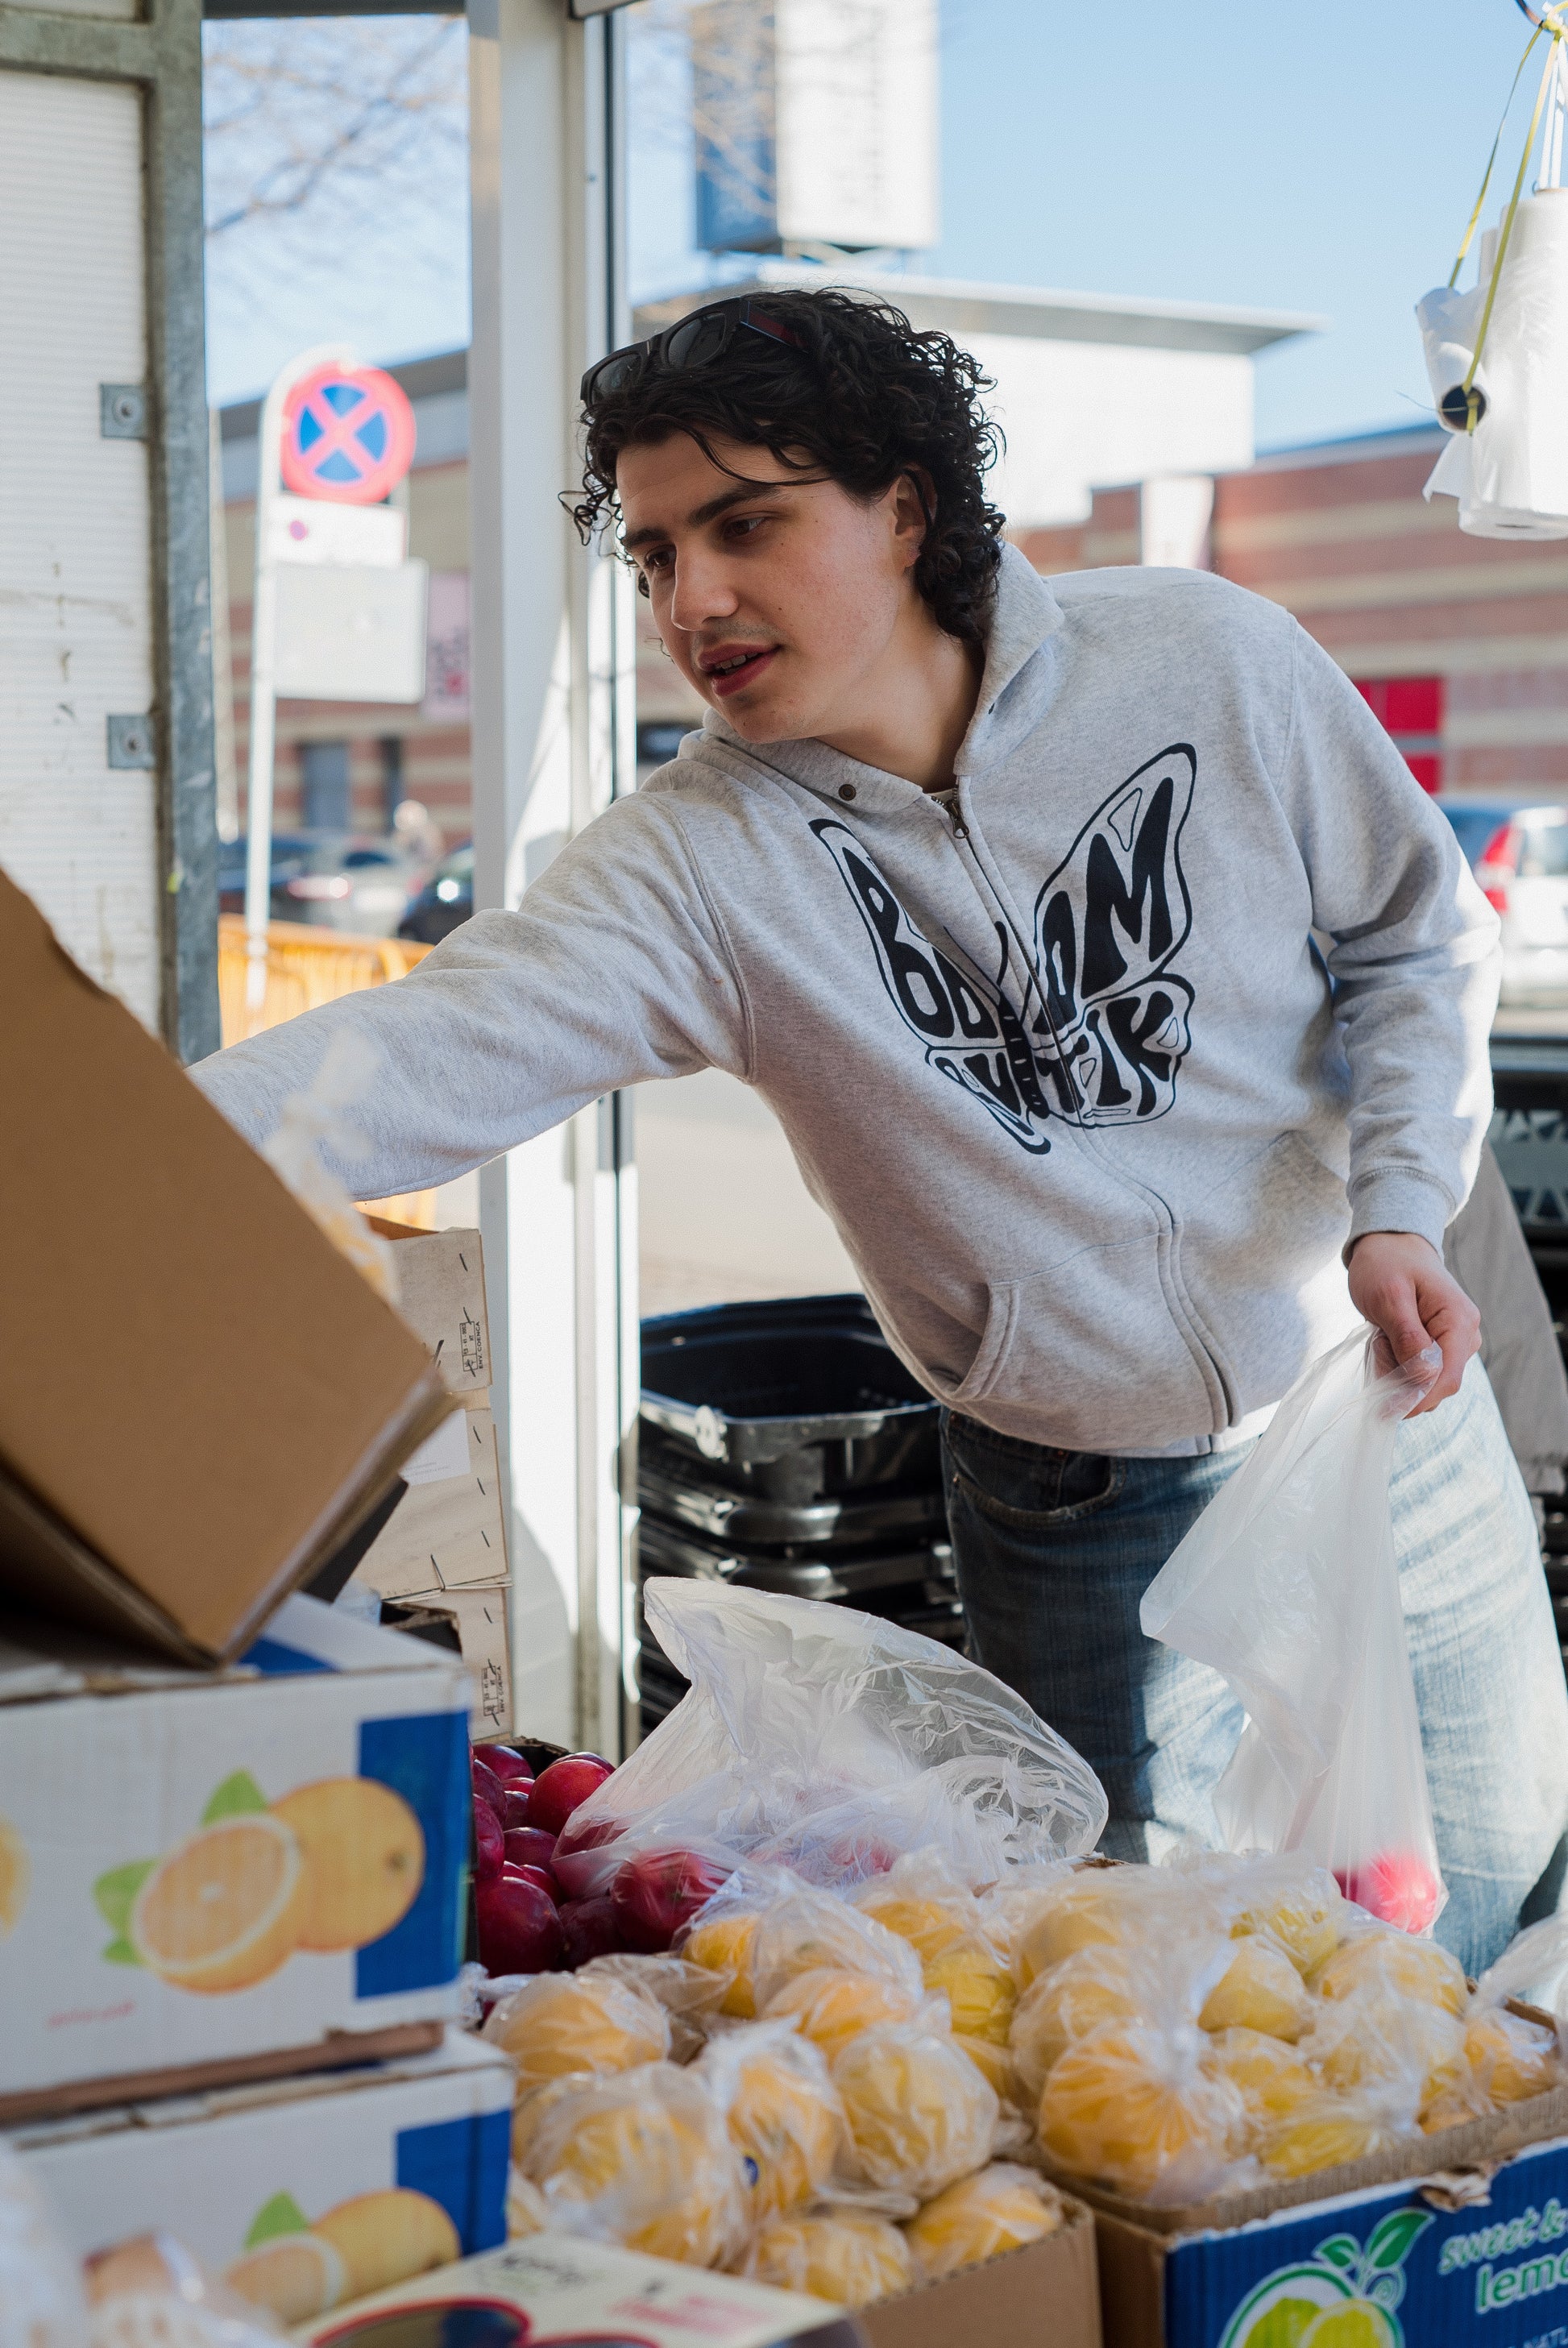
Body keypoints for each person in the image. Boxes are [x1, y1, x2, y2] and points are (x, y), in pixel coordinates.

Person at [192, 287, 1568, 1973]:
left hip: (1386, 1421)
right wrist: (110, 1158)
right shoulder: (697, 866)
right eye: (651, 555)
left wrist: (1398, 1205)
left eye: (745, 524)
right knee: (1170, 2009)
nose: (691, 598)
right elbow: (410, 1051)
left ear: (906, 504)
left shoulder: (1208, 660)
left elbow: (1411, 932)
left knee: (1503, 1910)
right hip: (1085, 1503)